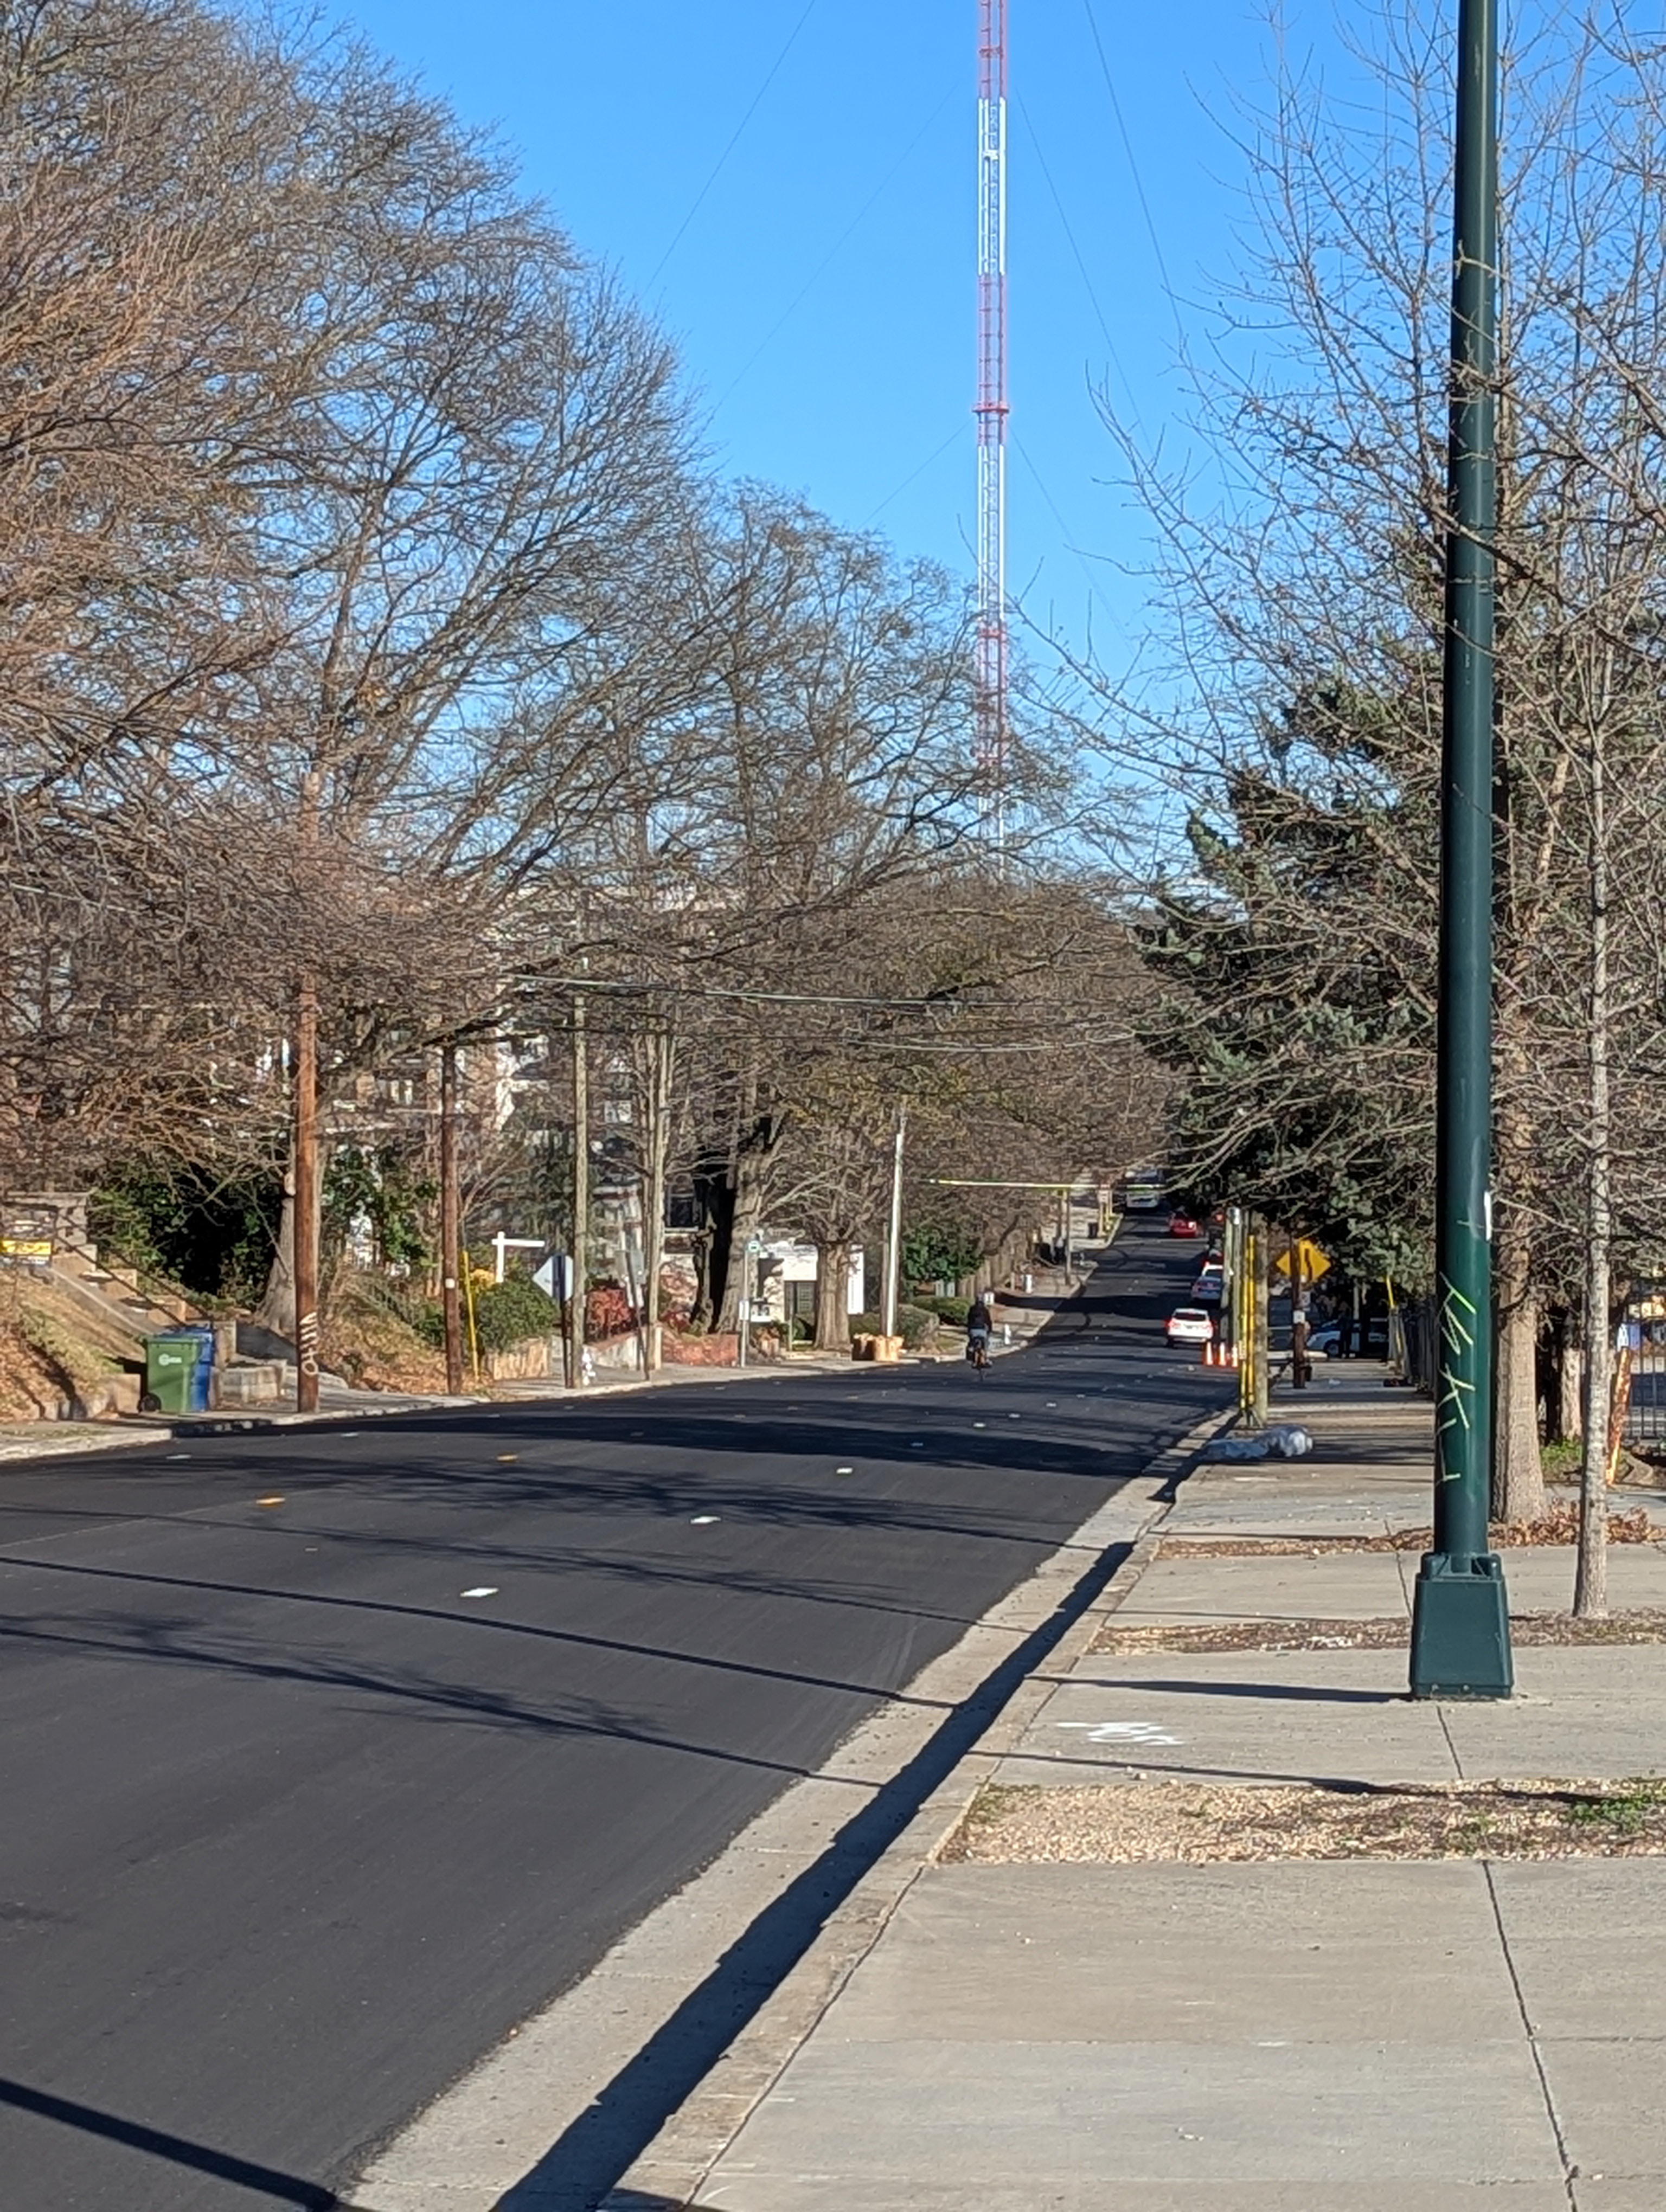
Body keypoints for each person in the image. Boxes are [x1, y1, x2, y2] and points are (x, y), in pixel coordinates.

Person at [966, 1294, 993, 1365]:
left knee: (971, 1342)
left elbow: (969, 1320)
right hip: (982, 1329)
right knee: (986, 1343)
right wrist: (990, 1330)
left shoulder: (972, 1309)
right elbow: (989, 1321)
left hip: (973, 1329)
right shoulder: (985, 1310)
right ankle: (986, 1358)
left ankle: (971, 1355)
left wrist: (968, 1330)